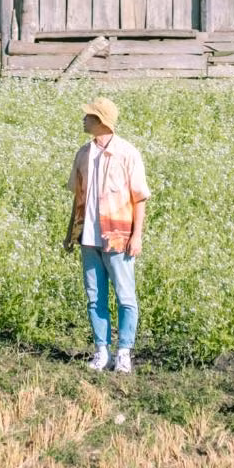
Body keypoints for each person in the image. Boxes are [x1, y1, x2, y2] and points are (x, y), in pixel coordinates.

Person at [64, 96, 151, 374]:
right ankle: (101, 351)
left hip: (118, 237)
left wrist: (137, 236)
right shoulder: (83, 154)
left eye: (88, 116)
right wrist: (70, 234)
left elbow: (139, 199)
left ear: (101, 121)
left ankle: (123, 352)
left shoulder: (128, 153)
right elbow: (78, 199)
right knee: (94, 297)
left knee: (126, 296)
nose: (83, 119)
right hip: (88, 239)